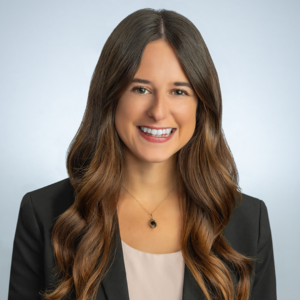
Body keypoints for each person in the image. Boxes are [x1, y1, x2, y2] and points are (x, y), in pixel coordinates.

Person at [8, 8, 277, 300]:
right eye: (141, 89)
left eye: (179, 91)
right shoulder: (44, 215)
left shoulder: (250, 222)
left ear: (201, 105)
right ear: (110, 97)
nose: (158, 111)